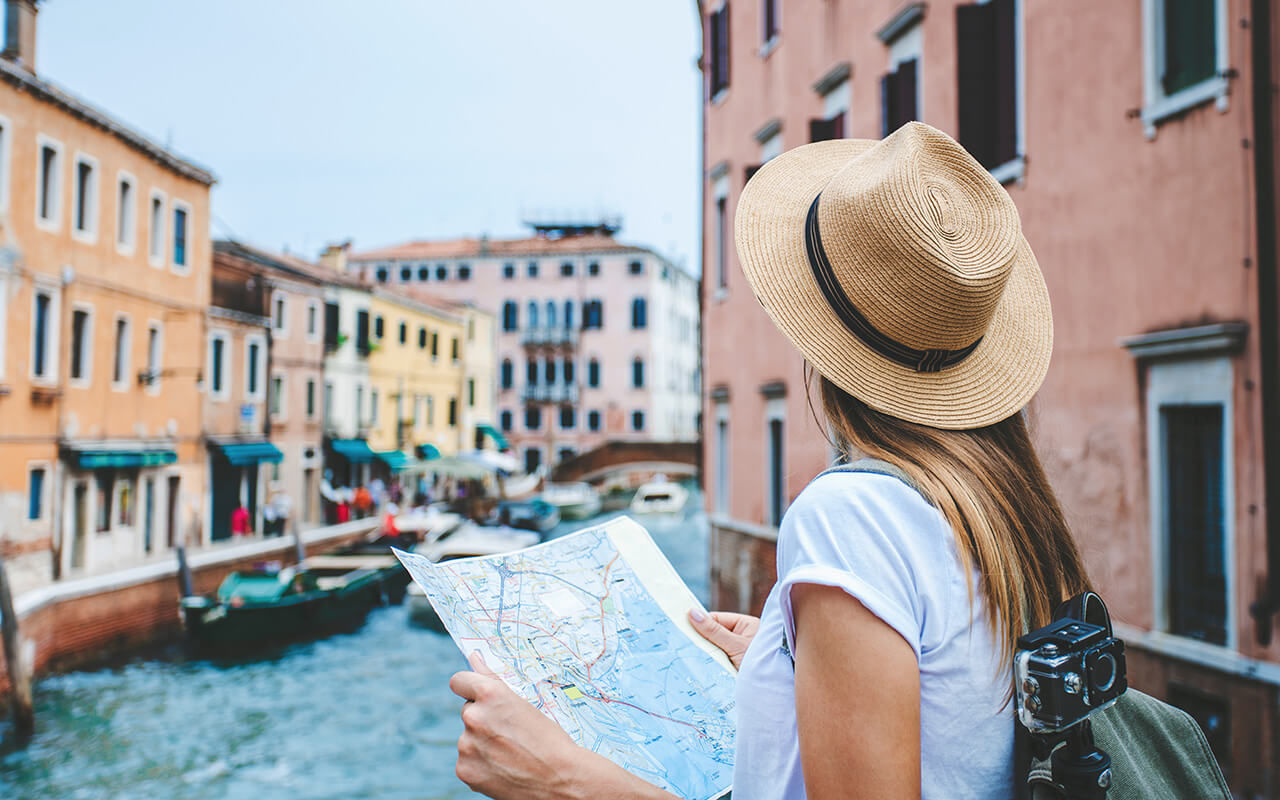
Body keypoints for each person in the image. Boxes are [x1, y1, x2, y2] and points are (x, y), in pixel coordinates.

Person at [446, 122, 1091, 799]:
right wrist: (784, 662)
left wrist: (564, 779)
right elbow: (949, 711)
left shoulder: (853, 516)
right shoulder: (999, 501)